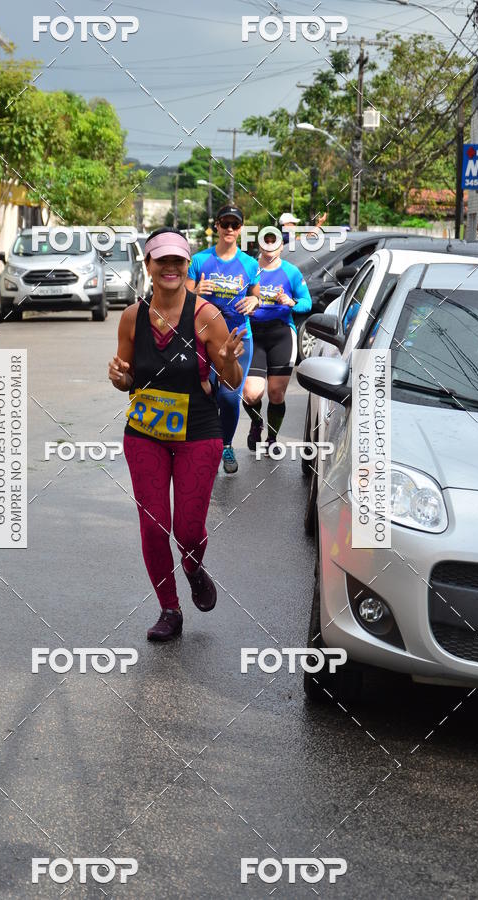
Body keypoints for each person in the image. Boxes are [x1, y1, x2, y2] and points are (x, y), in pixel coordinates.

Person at [108, 227, 246, 642]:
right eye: (161, 260)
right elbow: (127, 376)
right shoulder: (132, 316)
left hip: (199, 432)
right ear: (148, 267)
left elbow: (232, 379)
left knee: (187, 529)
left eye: (177, 261)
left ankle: (191, 565)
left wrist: (226, 361)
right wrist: (119, 377)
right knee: (153, 527)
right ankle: (170, 609)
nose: (169, 267)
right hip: (145, 433)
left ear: (187, 266)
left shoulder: (206, 315)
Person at [185, 204, 260, 474]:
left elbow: (256, 296)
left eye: (235, 225)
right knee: (206, 395)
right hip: (205, 339)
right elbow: (183, 300)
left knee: (229, 397)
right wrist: (195, 292)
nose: (229, 229)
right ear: (216, 226)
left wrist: (253, 300)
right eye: (225, 224)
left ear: (240, 229)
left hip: (239, 337)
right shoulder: (199, 261)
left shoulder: (250, 264)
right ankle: (203, 445)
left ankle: (225, 445)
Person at [242, 231, 312, 449]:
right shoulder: (249, 269)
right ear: (260, 245)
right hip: (253, 334)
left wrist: (291, 302)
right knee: (251, 394)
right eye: (266, 241)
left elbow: (306, 304)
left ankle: (272, 438)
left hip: (281, 334)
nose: (270, 245)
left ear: (282, 247)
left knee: (276, 393)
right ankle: (257, 422)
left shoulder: (291, 272)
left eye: (275, 242)